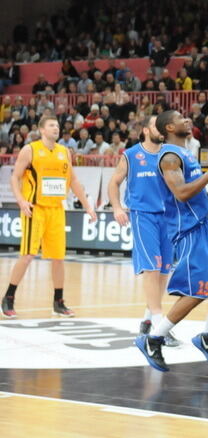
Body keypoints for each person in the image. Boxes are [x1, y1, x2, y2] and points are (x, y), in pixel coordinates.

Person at [134, 110, 208, 372]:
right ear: (168, 127)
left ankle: (207, 336)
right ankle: (153, 338)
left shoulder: (186, 151)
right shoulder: (169, 156)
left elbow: (191, 191)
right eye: (181, 118)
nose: (187, 120)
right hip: (188, 232)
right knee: (196, 291)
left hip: (205, 225)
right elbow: (180, 194)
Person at [1, 115, 97, 319]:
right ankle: (8, 297)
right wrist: (20, 200)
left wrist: (88, 206)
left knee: (58, 258)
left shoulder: (64, 152)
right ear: (42, 130)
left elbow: (73, 180)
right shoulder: (30, 149)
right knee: (27, 256)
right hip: (34, 209)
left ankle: (58, 301)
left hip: (56, 210)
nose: (56, 128)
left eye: (57, 125)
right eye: (51, 125)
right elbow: (14, 177)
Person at [107, 115, 178, 344]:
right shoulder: (131, 155)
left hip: (168, 217)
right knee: (152, 268)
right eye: (156, 124)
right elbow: (114, 182)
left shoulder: (170, 154)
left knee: (164, 271)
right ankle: (160, 326)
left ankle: (148, 319)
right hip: (142, 216)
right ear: (147, 130)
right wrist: (117, 207)